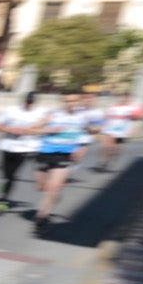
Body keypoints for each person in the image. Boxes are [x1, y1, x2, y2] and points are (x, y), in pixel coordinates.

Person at [33, 89, 93, 233]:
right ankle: (53, 198)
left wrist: (80, 151)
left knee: (53, 188)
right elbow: (33, 129)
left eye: (73, 101)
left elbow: (86, 136)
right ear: (63, 102)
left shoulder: (83, 118)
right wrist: (48, 129)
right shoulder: (52, 114)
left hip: (64, 156)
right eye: (67, 101)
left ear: (79, 101)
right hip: (44, 153)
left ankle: (42, 216)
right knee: (42, 187)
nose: (70, 104)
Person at [0, 89, 46, 216]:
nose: (29, 105)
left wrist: (32, 130)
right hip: (7, 146)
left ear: (36, 102)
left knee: (13, 176)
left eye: (31, 102)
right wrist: (10, 129)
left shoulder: (42, 113)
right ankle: (5, 187)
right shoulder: (11, 111)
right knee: (6, 175)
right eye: (27, 102)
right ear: (24, 101)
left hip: (25, 148)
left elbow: (48, 125)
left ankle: (2, 200)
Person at [96, 90, 143, 173]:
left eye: (128, 97)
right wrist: (102, 126)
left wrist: (135, 129)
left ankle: (112, 162)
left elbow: (140, 118)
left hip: (122, 132)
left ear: (131, 98)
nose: (126, 99)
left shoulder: (135, 108)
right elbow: (106, 117)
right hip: (110, 129)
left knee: (117, 149)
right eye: (124, 97)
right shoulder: (114, 106)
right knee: (107, 147)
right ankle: (104, 162)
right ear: (122, 97)